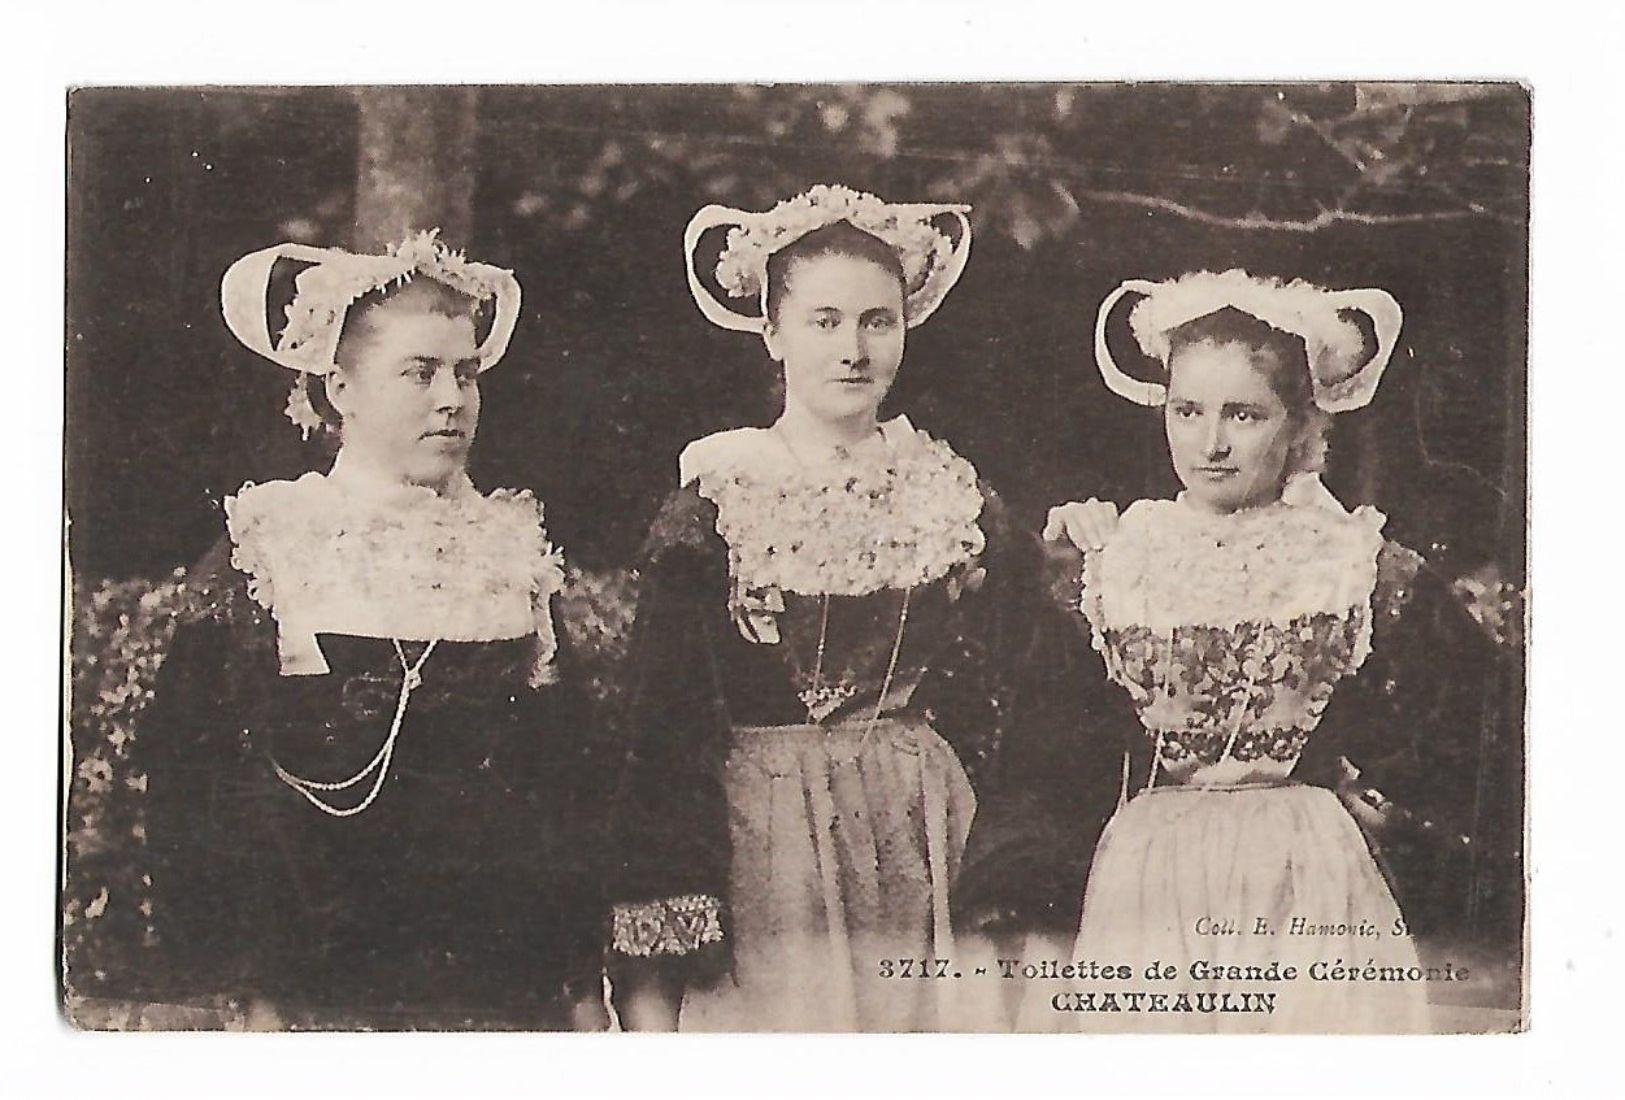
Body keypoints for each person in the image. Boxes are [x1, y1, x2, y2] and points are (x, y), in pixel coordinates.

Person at [604, 184, 1073, 1032]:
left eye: (876, 321)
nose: (853, 350)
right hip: (770, 839)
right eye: (824, 322)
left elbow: (1032, 677)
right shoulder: (717, 501)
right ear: (772, 332)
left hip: (922, 826)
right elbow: (659, 728)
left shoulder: (950, 493)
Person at [979, 269, 1496, 1033]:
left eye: (1244, 414)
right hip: (1150, 871)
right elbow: (1043, 760)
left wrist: (1385, 815)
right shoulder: (1108, 559)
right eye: (1187, 410)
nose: (1210, 442)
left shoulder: (1355, 563)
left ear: (1298, 424)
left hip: (1308, 869)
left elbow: (1477, 738)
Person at [128, 232, 610, 1029]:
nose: (450, 397)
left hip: (497, 978)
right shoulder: (274, 539)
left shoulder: (511, 546)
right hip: (323, 981)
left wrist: (577, 983)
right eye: (418, 373)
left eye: (466, 373)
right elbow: (197, 784)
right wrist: (254, 991)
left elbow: (560, 781)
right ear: (341, 389)